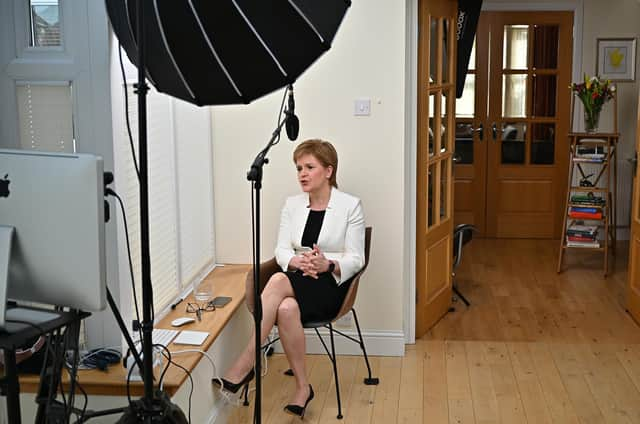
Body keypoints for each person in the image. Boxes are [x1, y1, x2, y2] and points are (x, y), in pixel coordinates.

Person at [213, 139, 365, 418]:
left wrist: (326, 264)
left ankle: (247, 362)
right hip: (297, 277)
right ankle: (302, 388)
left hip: (330, 285)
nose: (302, 174)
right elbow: (282, 249)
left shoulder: (350, 205)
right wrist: (297, 261)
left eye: (310, 167)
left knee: (279, 283)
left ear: (328, 171)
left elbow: (357, 258)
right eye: (298, 168)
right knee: (285, 307)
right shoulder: (292, 204)